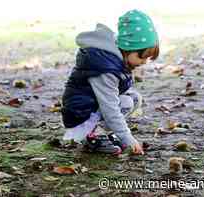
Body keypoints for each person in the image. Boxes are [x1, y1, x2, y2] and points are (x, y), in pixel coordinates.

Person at [61, 9, 159, 155]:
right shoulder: (105, 69)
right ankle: (91, 136)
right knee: (125, 103)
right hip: (80, 115)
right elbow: (110, 108)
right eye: (142, 56)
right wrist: (128, 139)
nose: (144, 62)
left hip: (92, 108)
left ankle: (102, 132)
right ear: (128, 47)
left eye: (148, 58)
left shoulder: (114, 58)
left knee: (134, 98)